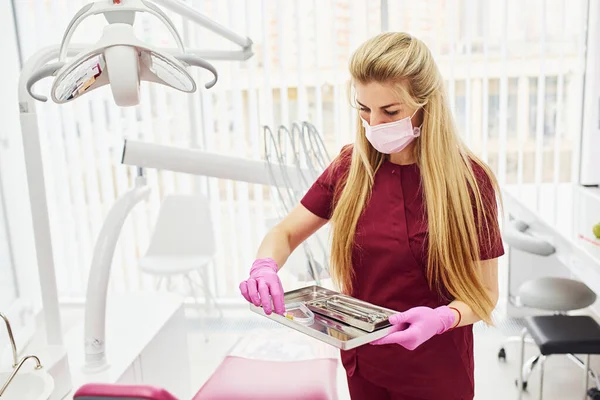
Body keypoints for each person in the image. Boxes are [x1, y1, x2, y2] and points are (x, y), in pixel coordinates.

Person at [239, 32, 504, 400]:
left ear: (426, 104)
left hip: (436, 369)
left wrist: (444, 318)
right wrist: (264, 267)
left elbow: (485, 294)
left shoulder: (469, 182)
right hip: (365, 361)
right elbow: (284, 233)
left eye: (390, 111)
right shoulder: (351, 167)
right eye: (364, 109)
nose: (374, 123)